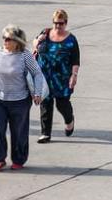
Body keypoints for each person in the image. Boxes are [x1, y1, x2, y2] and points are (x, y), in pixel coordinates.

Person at [0, 25, 47, 170]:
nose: (5, 41)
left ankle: (19, 159)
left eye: (8, 39)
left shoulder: (24, 55)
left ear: (17, 41)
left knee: (18, 132)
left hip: (20, 101)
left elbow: (37, 73)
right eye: (4, 38)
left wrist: (37, 93)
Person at [33, 9, 79, 144]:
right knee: (45, 103)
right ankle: (45, 134)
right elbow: (35, 46)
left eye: (61, 23)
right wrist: (38, 40)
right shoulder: (45, 32)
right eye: (55, 23)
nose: (58, 26)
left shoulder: (71, 40)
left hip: (62, 78)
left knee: (62, 104)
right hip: (45, 75)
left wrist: (74, 76)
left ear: (66, 23)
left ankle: (69, 120)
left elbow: (75, 60)